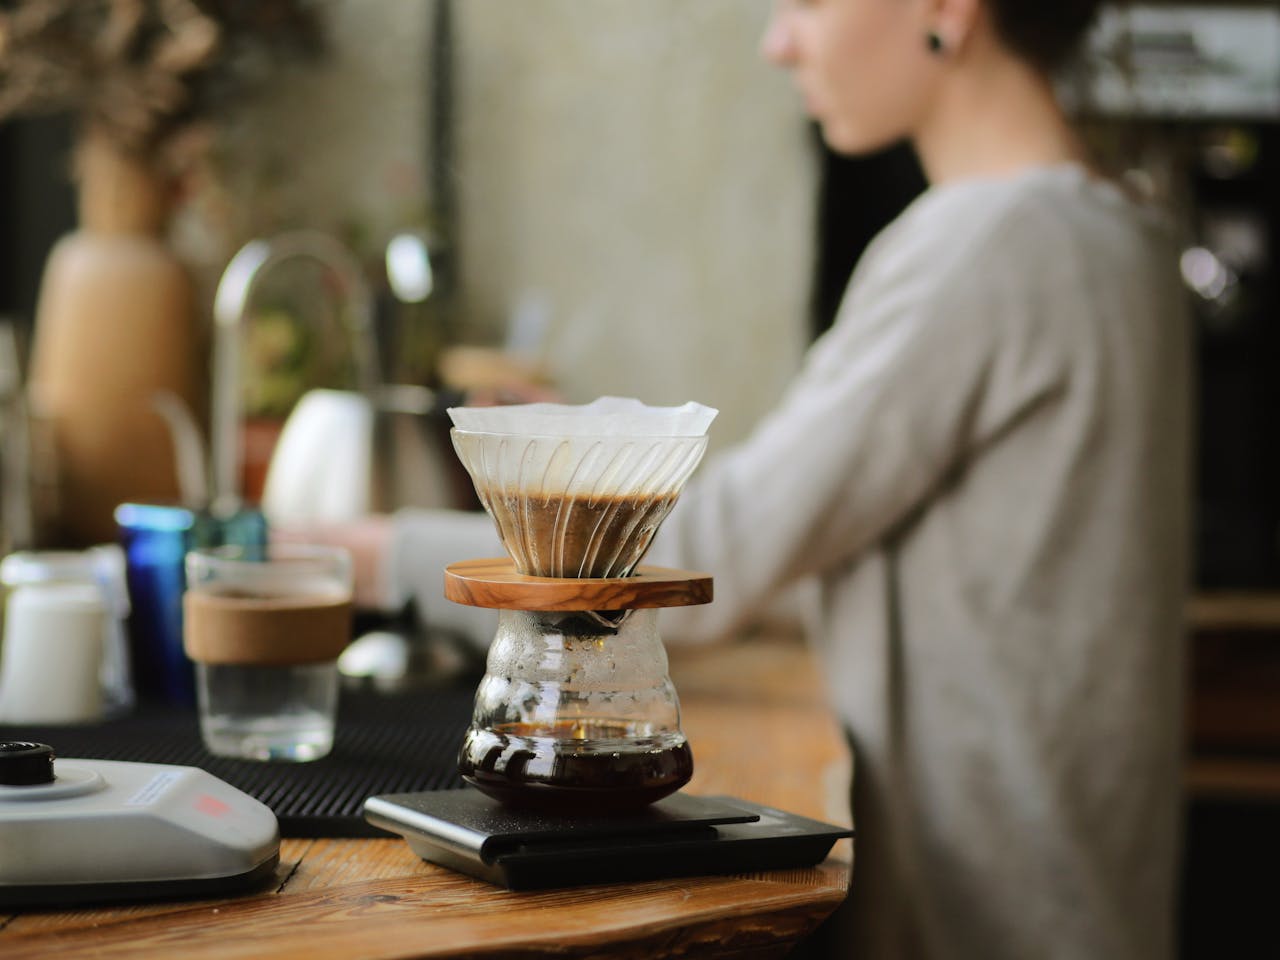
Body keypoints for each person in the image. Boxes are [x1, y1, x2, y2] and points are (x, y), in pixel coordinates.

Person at [314, 2, 1191, 957]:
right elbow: (899, 560)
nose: (780, 42)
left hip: (984, 908)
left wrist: (364, 553)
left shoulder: (990, 242)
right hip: (1071, 886)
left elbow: (722, 552)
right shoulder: (1119, 231)